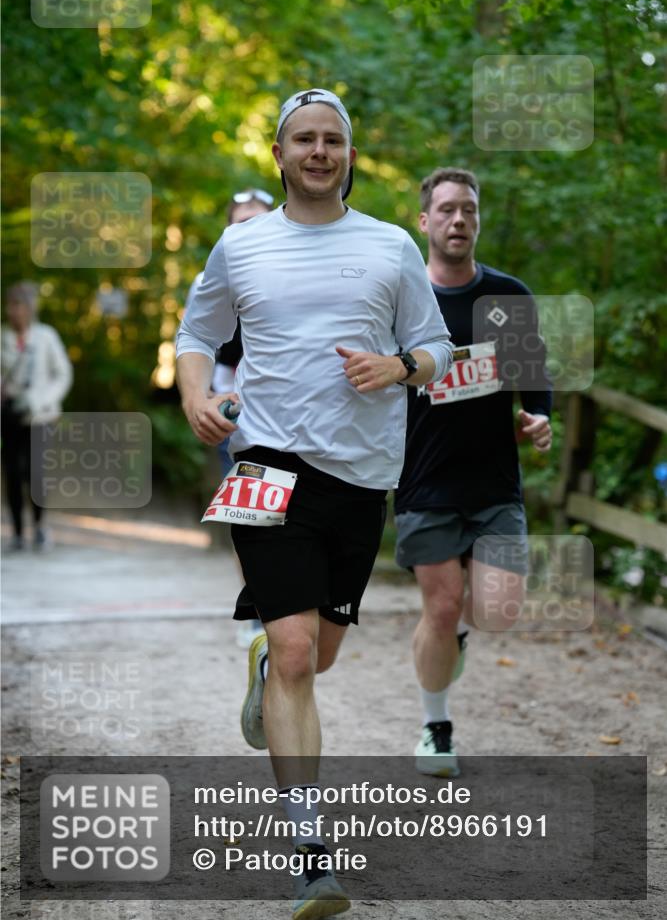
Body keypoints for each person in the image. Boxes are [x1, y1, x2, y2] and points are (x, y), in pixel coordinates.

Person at [176, 89, 453, 919]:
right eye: (305, 139)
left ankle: (265, 662)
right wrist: (197, 395)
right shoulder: (242, 244)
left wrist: (397, 369)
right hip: (265, 463)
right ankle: (310, 854)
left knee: (317, 655)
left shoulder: (391, 246)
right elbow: (196, 333)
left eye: (333, 139)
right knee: (298, 655)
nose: (319, 151)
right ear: (278, 152)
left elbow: (437, 348)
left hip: (362, 476)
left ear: (351, 155)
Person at [394, 167, 553, 779]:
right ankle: (436, 728)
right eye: (448, 210)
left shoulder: (508, 298)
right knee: (441, 606)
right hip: (425, 481)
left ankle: (451, 641)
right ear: (425, 220)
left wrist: (539, 417)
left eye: (469, 211)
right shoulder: (405, 299)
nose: (460, 220)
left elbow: (533, 378)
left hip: (493, 482)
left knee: (495, 611)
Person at [185, 187, 274, 649]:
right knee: (250, 515)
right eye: (240, 223)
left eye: (258, 221)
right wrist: (202, 401)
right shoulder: (207, 282)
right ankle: (259, 611)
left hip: (286, 408)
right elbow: (193, 344)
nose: (248, 231)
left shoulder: (291, 270)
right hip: (232, 408)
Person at [1, 282, 73, 551]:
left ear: (30, 308)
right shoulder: (2, 337)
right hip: (9, 417)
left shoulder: (46, 337)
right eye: (10, 305)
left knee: (36, 474)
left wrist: (42, 400)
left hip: (41, 417)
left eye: (18, 305)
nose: (13, 311)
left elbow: (63, 374)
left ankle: (40, 526)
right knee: (11, 473)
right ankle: (18, 532)